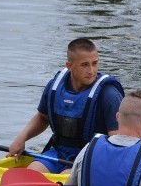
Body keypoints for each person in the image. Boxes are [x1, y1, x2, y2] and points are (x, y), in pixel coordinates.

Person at [8, 38, 124, 174]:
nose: (91, 71)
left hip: (91, 157)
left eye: (95, 63)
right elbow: (42, 118)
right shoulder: (55, 86)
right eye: (84, 65)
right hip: (59, 152)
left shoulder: (109, 94)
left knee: (66, 178)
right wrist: (21, 139)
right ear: (69, 66)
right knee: (32, 173)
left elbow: (117, 140)